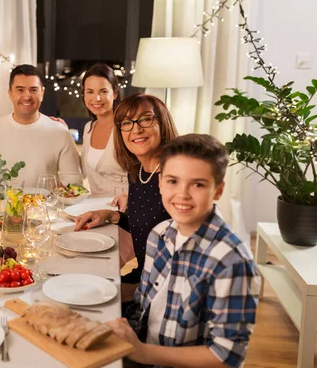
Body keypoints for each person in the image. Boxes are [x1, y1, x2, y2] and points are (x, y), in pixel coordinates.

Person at [106, 134, 260, 368]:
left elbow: (226, 356)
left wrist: (142, 353)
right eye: (172, 181)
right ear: (160, 183)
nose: (182, 194)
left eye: (198, 184)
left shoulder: (232, 261)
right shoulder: (159, 235)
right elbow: (142, 305)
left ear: (218, 190)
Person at [74, 93, 178, 297]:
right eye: (127, 123)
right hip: (143, 275)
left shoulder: (174, 178)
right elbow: (147, 226)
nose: (136, 129)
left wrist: (131, 292)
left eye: (146, 119)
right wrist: (112, 216)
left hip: (162, 289)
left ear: (163, 123)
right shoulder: (138, 172)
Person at [0, 64, 81, 187]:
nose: (27, 96)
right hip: (4, 205)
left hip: (46, 204)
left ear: (42, 93)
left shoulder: (60, 132)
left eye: (33, 90)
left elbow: (73, 180)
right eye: (20, 90)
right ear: (10, 94)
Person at [80, 63, 134, 267]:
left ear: (115, 93)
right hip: (95, 213)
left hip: (124, 217)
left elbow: (143, 170)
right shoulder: (88, 128)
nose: (97, 98)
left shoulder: (126, 126)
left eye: (104, 91)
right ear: (84, 96)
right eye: (90, 92)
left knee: (104, 270)